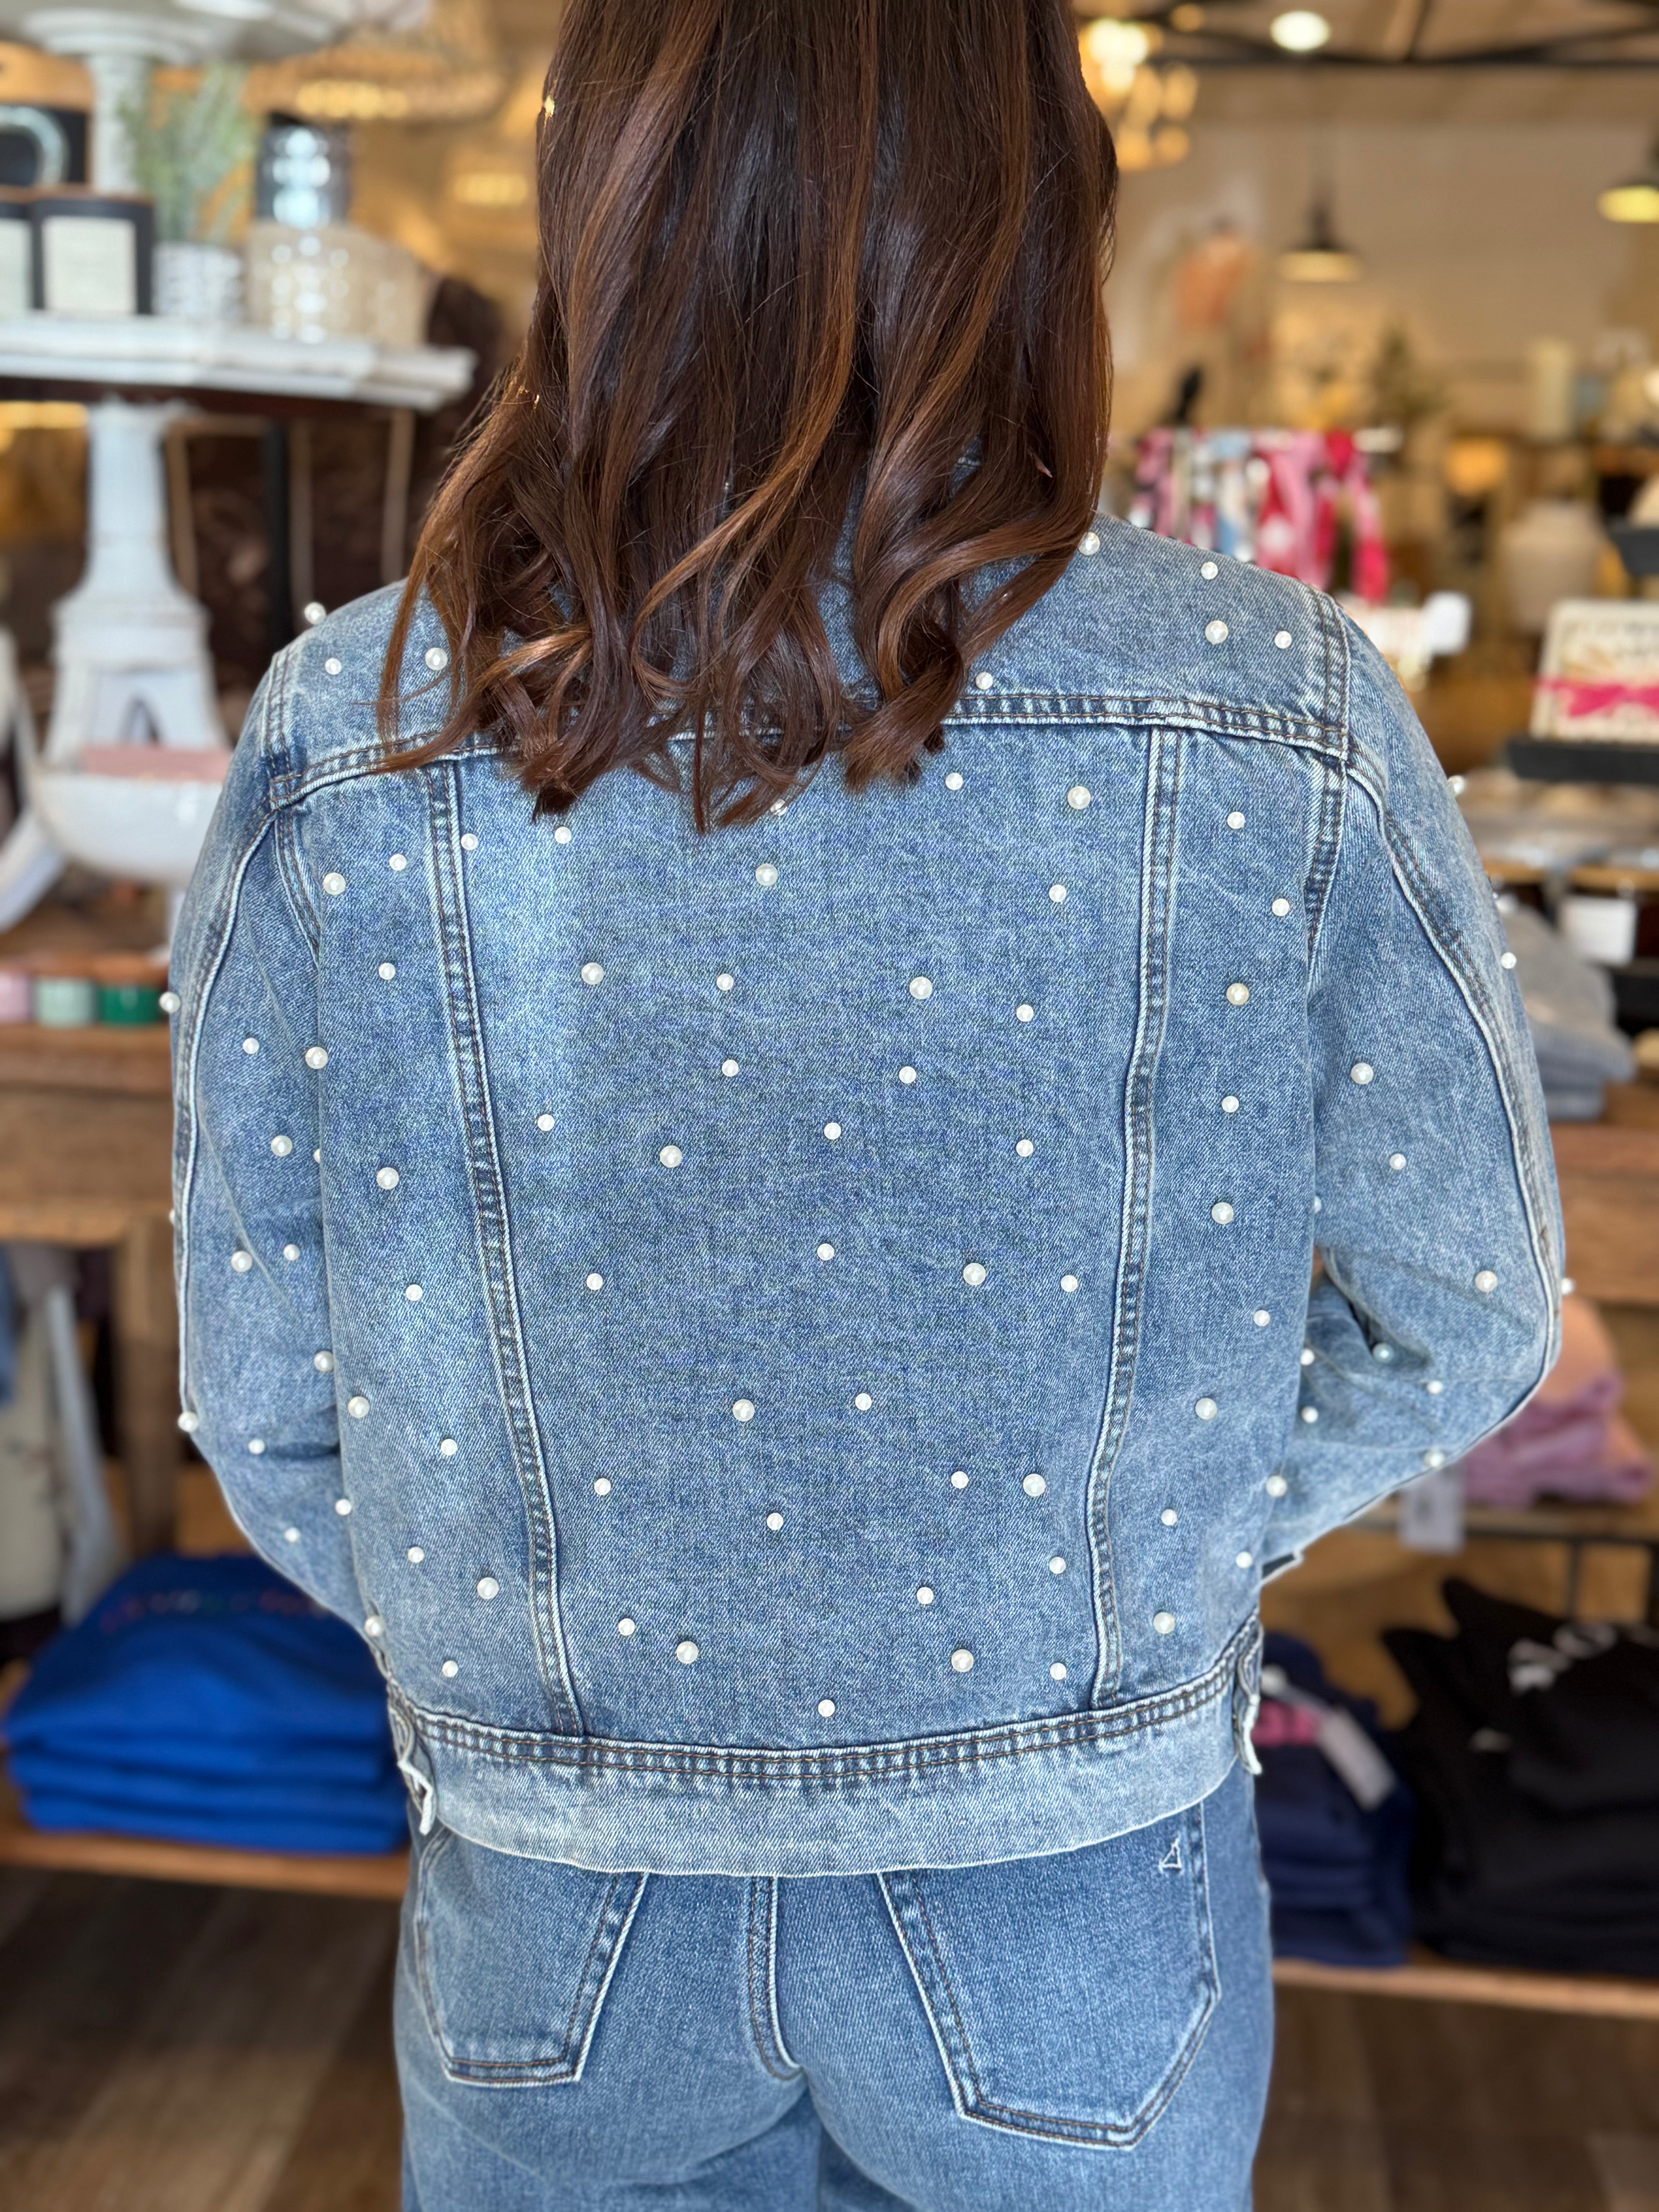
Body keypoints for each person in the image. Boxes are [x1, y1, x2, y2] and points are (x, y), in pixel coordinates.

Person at [170, 2, 1559, 2203]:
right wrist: (1140, 1564)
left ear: (597, 202)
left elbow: (266, 1403)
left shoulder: (362, 718)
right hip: (1067, 1876)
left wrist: (523, 1655)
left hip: (561, 1881)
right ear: (1043, 224)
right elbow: (1463, 1309)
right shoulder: (1268, 694)